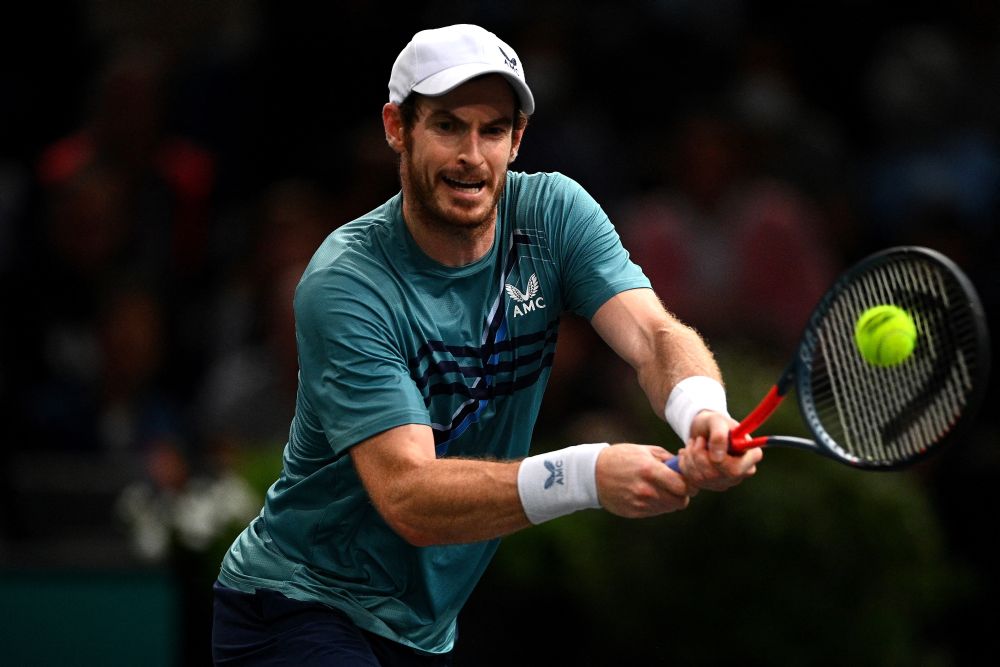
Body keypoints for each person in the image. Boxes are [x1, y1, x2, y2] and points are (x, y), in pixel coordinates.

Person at [211, 23, 762, 665]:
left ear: (516, 138)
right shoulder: (345, 283)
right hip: (295, 604)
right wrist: (586, 474)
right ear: (397, 127)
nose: (472, 154)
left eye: (492, 129)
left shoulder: (554, 214)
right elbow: (410, 495)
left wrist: (702, 415)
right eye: (447, 125)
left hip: (421, 631)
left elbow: (654, 335)